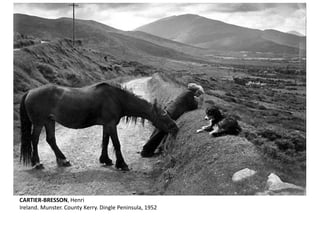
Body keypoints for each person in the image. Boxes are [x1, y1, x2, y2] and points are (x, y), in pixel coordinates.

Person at [140, 83, 205, 157]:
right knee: (160, 133)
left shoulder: (187, 92)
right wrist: (197, 101)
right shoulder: (189, 94)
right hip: (172, 114)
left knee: (158, 131)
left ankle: (146, 149)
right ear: (196, 91)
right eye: (199, 93)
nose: (199, 95)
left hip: (169, 112)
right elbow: (193, 106)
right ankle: (146, 152)